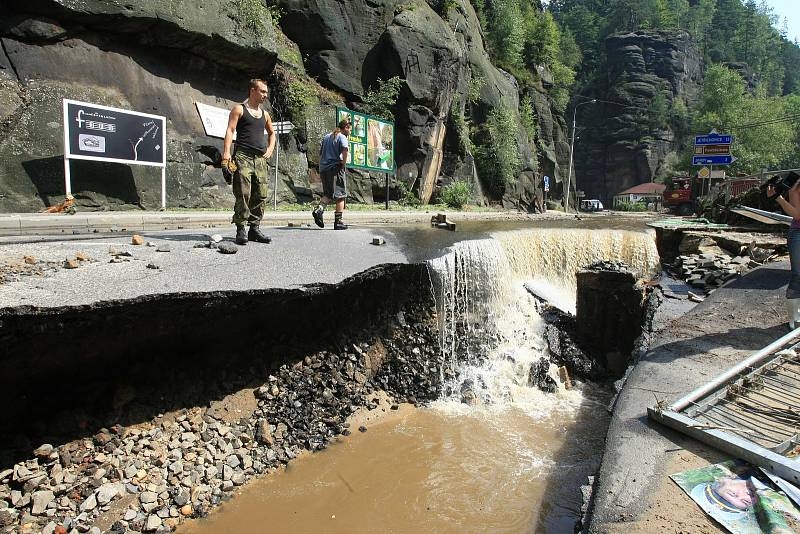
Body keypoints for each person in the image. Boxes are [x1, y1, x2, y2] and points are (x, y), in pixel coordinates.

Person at [222, 79, 276, 245]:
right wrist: (226, 154)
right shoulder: (239, 109)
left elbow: (272, 133)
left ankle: (254, 228)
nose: (265, 95)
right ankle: (240, 228)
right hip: (243, 156)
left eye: (266, 92)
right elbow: (230, 130)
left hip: (260, 159)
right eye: (262, 91)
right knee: (243, 193)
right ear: (252, 91)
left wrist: (270, 149)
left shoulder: (265, 114)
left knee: (261, 194)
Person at [768, 174, 800, 328]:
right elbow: (797, 215)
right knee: (798, 274)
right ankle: (795, 318)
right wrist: (778, 197)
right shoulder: (797, 186)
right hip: (799, 233)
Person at [312, 119, 351, 230]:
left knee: (328, 194)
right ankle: (338, 222)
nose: (350, 132)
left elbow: (321, 154)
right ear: (346, 128)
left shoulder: (326, 137)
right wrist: (342, 164)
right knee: (340, 195)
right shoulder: (342, 137)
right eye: (350, 129)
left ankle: (318, 210)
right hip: (335, 168)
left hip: (324, 169)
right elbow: (345, 151)